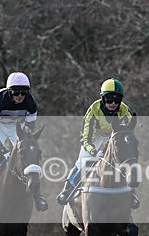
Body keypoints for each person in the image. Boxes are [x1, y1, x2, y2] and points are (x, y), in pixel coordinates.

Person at [0, 71, 48, 212]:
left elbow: (29, 132)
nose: (19, 96)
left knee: (29, 156)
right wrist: (2, 149)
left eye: (23, 92)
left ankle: (37, 196)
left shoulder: (31, 104)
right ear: (9, 91)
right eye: (15, 92)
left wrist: (25, 142)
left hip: (16, 127)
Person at [56, 78, 139, 207]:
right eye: (108, 99)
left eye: (116, 100)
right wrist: (94, 151)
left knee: (123, 160)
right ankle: (68, 189)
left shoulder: (125, 111)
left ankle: (131, 192)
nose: (112, 103)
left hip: (114, 135)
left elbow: (126, 132)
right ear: (102, 98)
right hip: (95, 136)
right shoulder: (94, 110)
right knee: (83, 161)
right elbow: (86, 137)